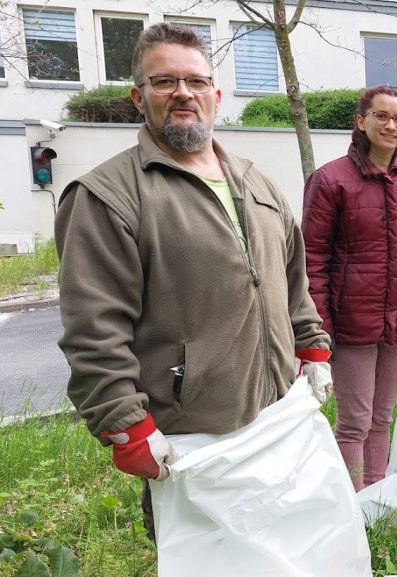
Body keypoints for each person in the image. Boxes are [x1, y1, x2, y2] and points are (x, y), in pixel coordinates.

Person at [54, 23, 332, 541]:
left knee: (283, 553)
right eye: (165, 81)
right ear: (138, 97)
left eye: (196, 81)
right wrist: (124, 422)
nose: (183, 93)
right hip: (191, 439)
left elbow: (292, 279)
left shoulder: (256, 181)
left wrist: (312, 346)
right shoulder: (107, 196)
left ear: (216, 96)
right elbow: (94, 330)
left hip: (278, 421)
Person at [302, 85, 397, 491]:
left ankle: (375, 498)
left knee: (382, 418)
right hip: (350, 324)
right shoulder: (329, 180)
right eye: (381, 116)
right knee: (354, 422)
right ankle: (352, 502)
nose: (391, 125)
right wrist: (319, 328)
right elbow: (312, 260)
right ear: (361, 121)